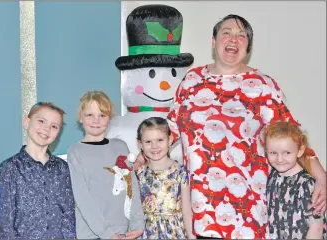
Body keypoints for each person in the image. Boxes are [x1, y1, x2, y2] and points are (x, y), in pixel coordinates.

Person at [134, 14, 327, 239]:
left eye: (241, 36)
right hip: (200, 211)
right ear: (214, 42)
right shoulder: (191, 80)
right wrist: (143, 155)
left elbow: (293, 137)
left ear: (248, 47)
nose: (233, 39)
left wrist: (322, 179)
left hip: (249, 213)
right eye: (226, 33)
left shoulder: (264, 86)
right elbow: (171, 128)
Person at [67, 90, 145, 239]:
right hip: (92, 234)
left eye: (102, 115)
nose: (96, 120)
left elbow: (131, 187)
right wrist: (107, 233)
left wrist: (138, 224)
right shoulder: (75, 151)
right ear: (80, 117)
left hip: (125, 231)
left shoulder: (120, 146)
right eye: (90, 115)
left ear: (109, 118)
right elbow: (82, 199)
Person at [0, 102, 76, 239]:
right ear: (26, 122)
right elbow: (6, 222)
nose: (46, 129)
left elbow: (68, 214)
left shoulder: (62, 167)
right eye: (41, 121)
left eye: (54, 126)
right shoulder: (10, 167)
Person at [264, 121, 326, 239]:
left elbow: (316, 228)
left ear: (300, 151)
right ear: (266, 151)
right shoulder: (272, 175)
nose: (279, 159)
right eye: (273, 153)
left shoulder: (308, 184)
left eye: (287, 152)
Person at [135, 117, 195, 239]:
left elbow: (187, 212)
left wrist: (192, 237)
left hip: (174, 233)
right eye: (148, 142)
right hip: (145, 234)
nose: (154, 146)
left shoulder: (181, 172)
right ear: (140, 144)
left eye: (160, 140)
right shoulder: (138, 173)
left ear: (170, 140)